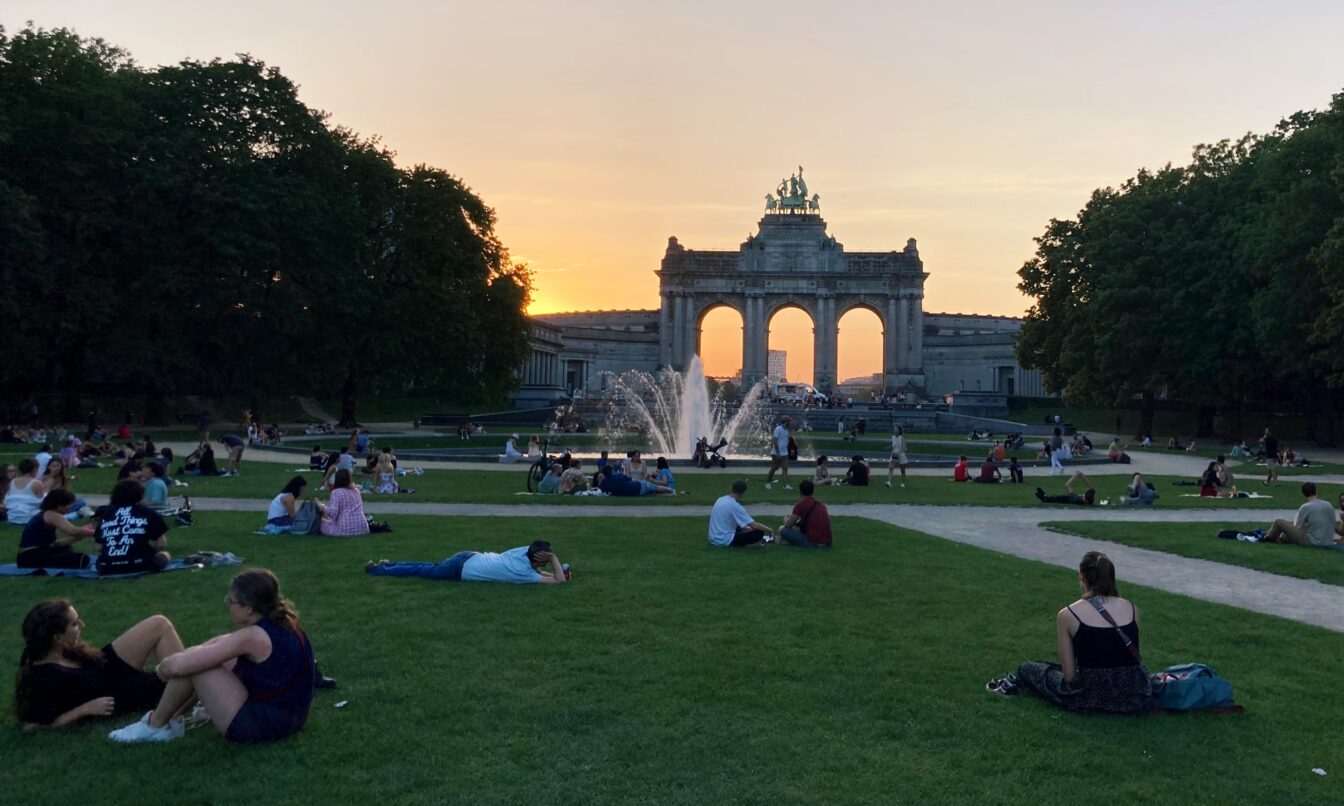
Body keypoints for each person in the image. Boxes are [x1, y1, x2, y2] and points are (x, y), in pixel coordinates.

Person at [108, 569, 316, 744]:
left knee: (197, 666)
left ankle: (155, 725)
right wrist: (189, 655)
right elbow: (220, 643)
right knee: (205, 657)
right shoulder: (285, 623)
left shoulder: (252, 637)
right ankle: (171, 719)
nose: (228, 605)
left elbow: (179, 667)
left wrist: (162, 667)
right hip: (293, 717)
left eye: (231, 601)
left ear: (249, 609)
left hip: (262, 726)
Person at [986, 552, 1152, 714]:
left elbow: (1070, 676)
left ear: (1082, 575)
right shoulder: (1132, 609)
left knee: (1029, 668)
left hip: (1088, 695)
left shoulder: (1068, 614)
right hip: (1132, 695)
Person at [14, 600, 184, 728]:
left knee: (159, 623)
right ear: (57, 637)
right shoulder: (44, 677)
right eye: (74, 624)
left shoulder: (39, 650)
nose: (82, 625)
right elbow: (35, 724)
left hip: (106, 667)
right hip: (116, 690)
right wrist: (85, 709)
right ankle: (185, 692)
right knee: (186, 670)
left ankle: (184, 682)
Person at [366, 540, 570, 584]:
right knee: (422, 570)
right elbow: (559, 581)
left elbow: (541, 573)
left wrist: (554, 569)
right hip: (460, 569)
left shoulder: (522, 553)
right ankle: (378, 570)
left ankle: (388, 564)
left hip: (468, 556)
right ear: (539, 559)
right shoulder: (522, 573)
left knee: (426, 566)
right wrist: (554, 560)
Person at [93, 480, 170, 575]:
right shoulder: (148, 513)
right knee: (165, 555)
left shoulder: (106, 515)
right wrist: (150, 553)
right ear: (140, 495)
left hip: (107, 567)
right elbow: (161, 544)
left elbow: (99, 547)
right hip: (140, 564)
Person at [17, 490, 97, 569]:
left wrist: (78, 537)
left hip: (27, 556)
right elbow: (73, 531)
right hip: (31, 557)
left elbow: (53, 544)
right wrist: (97, 532)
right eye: (67, 504)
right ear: (58, 505)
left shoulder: (46, 514)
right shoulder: (52, 515)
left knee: (66, 549)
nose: (69, 507)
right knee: (83, 559)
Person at [1265, 482, 1341, 548]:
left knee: (1278, 522)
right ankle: (1280, 539)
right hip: (1328, 541)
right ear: (1316, 491)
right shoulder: (1328, 504)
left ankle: (1268, 538)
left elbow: (1297, 527)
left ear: (1303, 493)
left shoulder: (1306, 507)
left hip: (1313, 542)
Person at [707, 480, 774, 547]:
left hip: (713, 537)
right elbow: (754, 525)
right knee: (759, 532)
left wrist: (746, 528)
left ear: (732, 489)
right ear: (743, 493)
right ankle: (751, 544)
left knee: (742, 526)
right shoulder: (735, 506)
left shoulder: (720, 499)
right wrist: (769, 530)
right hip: (724, 540)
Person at [778, 481, 832, 548]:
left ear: (800, 492)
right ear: (813, 491)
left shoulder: (800, 505)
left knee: (782, 530)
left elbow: (788, 525)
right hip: (827, 541)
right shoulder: (821, 504)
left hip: (813, 542)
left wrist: (785, 519)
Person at [318, 470, 370, 536]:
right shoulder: (356, 491)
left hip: (344, 529)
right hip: (362, 528)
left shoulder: (336, 492)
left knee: (322, 523)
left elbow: (333, 513)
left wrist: (322, 506)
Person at [5, 458, 46, 526]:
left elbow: (9, 500)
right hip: (31, 518)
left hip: (12, 518)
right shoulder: (37, 483)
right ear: (34, 469)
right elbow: (42, 503)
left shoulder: (12, 482)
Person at [765, 416, 792, 491]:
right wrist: (778, 453)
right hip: (777, 453)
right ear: (786, 422)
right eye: (789, 421)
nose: (790, 423)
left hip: (785, 453)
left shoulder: (786, 430)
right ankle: (768, 482)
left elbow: (786, 439)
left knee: (785, 469)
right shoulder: (778, 429)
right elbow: (775, 441)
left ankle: (785, 485)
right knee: (774, 468)